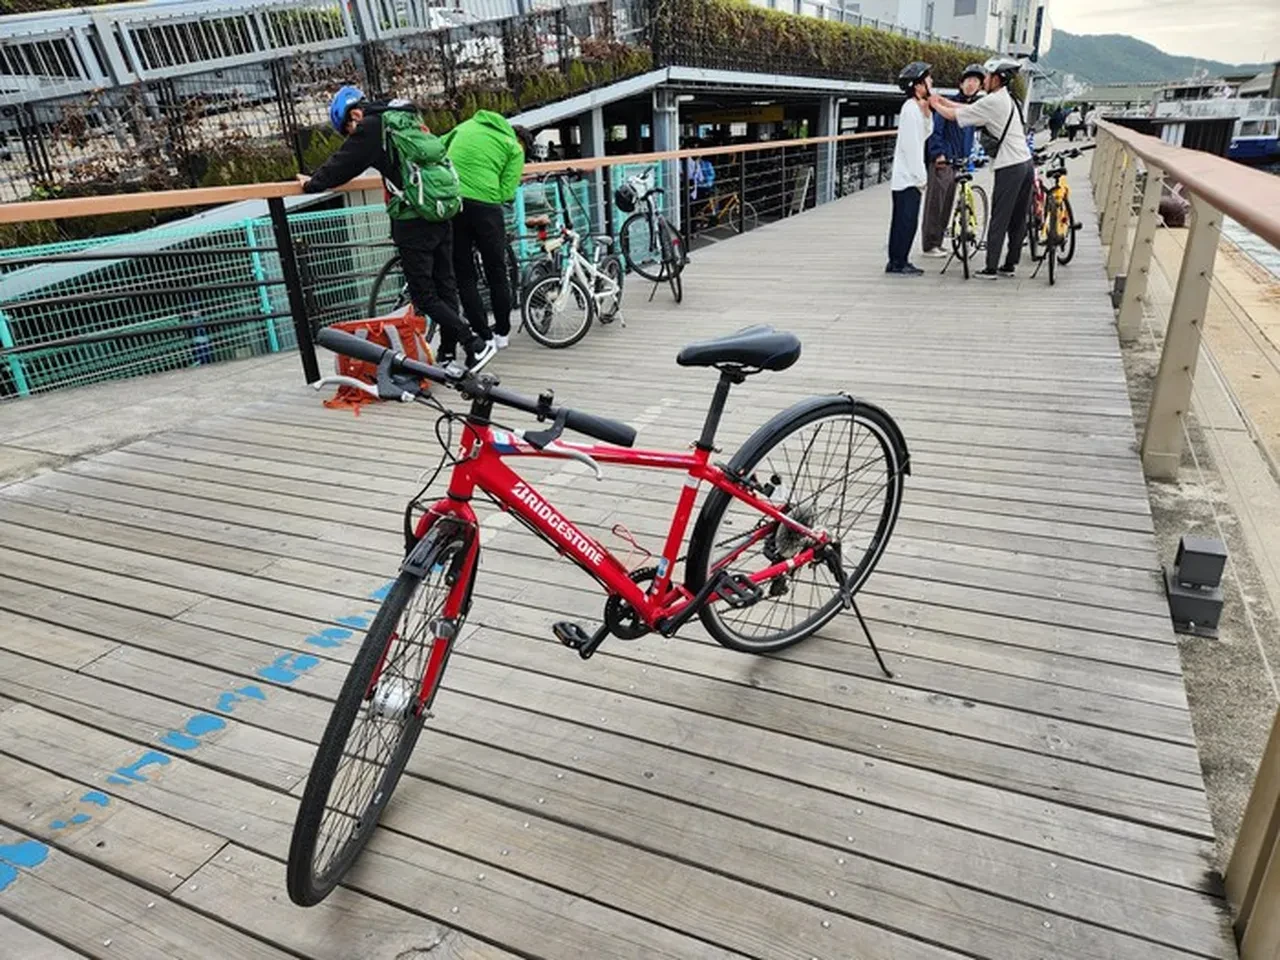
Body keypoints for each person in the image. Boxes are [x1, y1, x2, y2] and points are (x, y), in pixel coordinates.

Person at [301, 86, 491, 369]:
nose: (351, 134)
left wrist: (311, 183)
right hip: (439, 210)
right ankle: (449, 353)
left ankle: (473, 342)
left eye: (348, 128)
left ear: (354, 113)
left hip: (413, 219)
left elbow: (343, 164)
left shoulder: (372, 126)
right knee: (445, 285)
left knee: (424, 296)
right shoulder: (405, 118)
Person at [930, 56, 1033, 280]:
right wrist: (944, 101)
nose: (983, 80)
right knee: (1018, 217)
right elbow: (968, 108)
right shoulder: (1006, 98)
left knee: (1000, 215)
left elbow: (955, 115)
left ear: (997, 78)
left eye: (987, 76)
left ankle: (991, 267)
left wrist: (933, 102)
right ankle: (1009, 264)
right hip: (1026, 163)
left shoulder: (992, 101)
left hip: (1010, 166)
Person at [440, 110, 534, 354]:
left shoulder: (464, 126)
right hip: (486, 209)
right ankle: (501, 333)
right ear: (521, 141)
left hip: (454, 202)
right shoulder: (513, 148)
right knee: (497, 271)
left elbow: (437, 147)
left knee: (464, 275)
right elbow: (507, 191)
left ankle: (482, 335)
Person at [920, 63, 984, 258]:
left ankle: (938, 242)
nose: (972, 84)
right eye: (969, 80)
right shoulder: (948, 104)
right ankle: (930, 244)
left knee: (948, 203)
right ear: (961, 83)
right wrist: (939, 154)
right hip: (943, 160)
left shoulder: (973, 108)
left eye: (976, 81)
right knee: (936, 202)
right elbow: (935, 131)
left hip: (959, 161)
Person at [886, 60, 933, 277]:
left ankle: (898, 260)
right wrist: (921, 177)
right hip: (908, 177)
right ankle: (898, 262)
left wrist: (927, 114)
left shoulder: (915, 108)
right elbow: (912, 146)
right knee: (905, 221)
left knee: (905, 220)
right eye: (928, 79)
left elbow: (925, 134)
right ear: (918, 85)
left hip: (908, 176)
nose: (931, 82)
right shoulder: (909, 109)